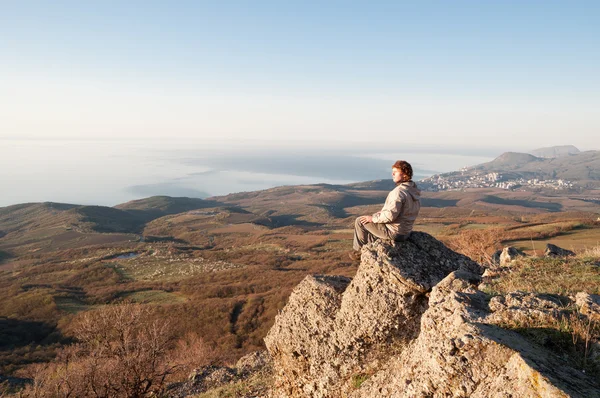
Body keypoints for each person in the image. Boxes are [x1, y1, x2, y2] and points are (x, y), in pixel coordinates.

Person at [350, 160, 421, 259]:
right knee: (372, 227)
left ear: (404, 175)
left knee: (360, 221)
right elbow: (402, 211)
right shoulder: (413, 191)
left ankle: (358, 253)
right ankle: (370, 249)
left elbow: (390, 216)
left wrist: (373, 218)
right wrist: (380, 214)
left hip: (395, 232)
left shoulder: (398, 192)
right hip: (405, 232)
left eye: (395, 172)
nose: (392, 174)